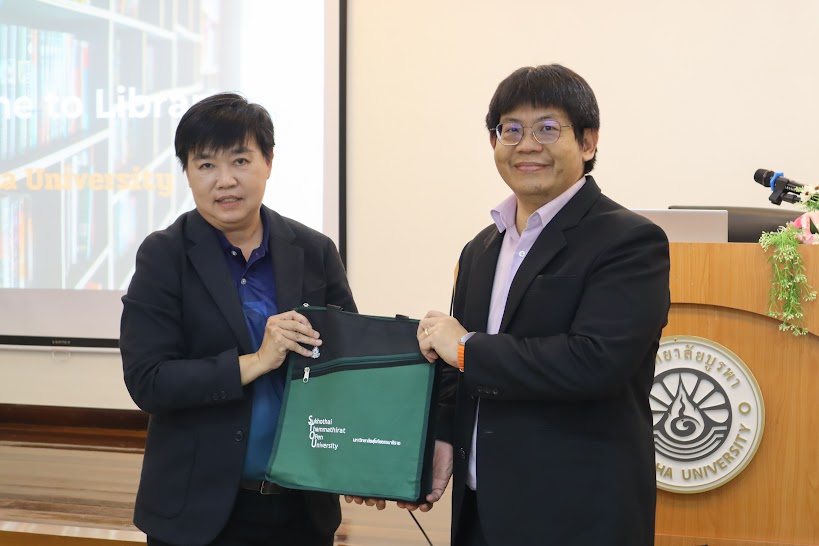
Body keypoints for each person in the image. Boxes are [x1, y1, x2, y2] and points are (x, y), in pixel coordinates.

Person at [411, 65, 670, 545]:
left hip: (576, 517)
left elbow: (596, 363)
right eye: (510, 129)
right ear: (494, 142)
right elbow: (456, 374)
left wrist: (467, 348)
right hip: (479, 512)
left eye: (547, 128)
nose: (526, 145)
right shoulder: (480, 249)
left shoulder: (630, 241)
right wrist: (441, 437)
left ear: (588, 142)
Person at [120, 93, 356, 546]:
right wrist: (257, 361)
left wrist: (368, 461)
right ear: (187, 172)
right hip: (196, 511)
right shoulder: (164, 255)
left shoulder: (314, 251)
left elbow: (346, 368)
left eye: (240, 161)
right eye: (206, 164)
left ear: (269, 162)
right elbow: (148, 381)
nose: (224, 180)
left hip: (303, 508)